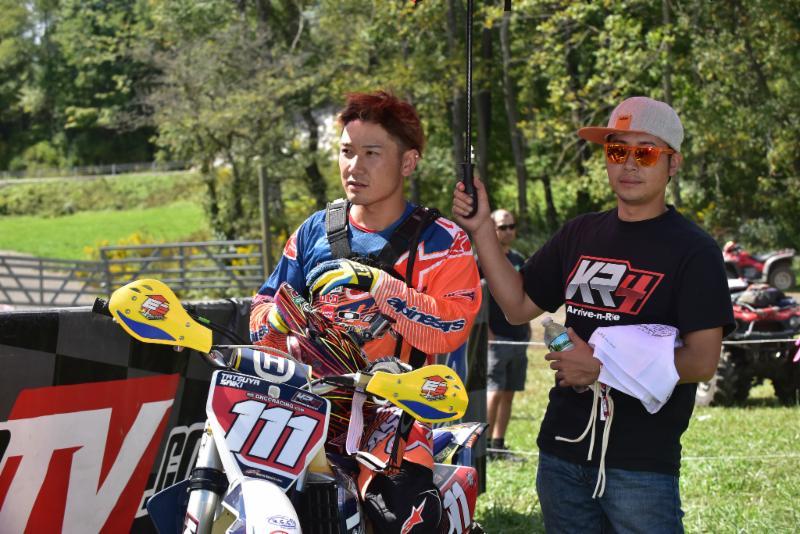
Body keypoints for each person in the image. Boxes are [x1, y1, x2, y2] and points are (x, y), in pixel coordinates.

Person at [453, 96, 734, 532]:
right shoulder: (580, 232)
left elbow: (702, 360)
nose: (629, 164)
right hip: (561, 454)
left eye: (646, 152)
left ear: (672, 164)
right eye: (617, 150)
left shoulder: (694, 250)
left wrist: (600, 369)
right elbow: (518, 303)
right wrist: (482, 228)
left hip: (641, 465)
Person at [250, 90, 482, 533]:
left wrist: (380, 286)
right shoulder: (314, 230)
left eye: (371, 153)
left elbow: (451, 327)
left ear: (408, 162)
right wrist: (274, 322)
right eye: (346, 152)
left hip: (396, 418)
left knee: (400, 519)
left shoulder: (442, 241)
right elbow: (262, 303)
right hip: (308, 409)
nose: (354, 166)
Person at [483, 209, 530, 458]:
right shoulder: (482, 261)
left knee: (509, 391)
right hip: (496, 338)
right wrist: (487, 332)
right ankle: (486, 445)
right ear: (491, 229)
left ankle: (499, 444)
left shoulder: (519, 259)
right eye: (503, 227)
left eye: (512, 226)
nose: (509, 231)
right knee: (495, 390)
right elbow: (475, 298)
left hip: (520, 336)